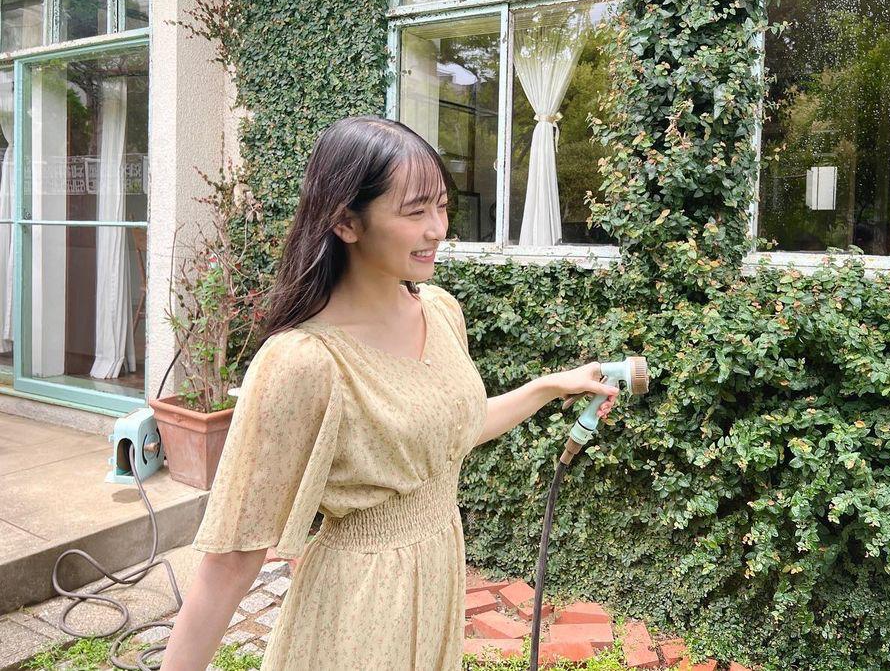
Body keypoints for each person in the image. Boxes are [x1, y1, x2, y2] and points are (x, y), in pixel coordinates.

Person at [160, 116, 620, 670]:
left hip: (437, 579)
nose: (438, 229)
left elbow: (449, 430)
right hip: (359, 607)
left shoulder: (441, 312)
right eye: (414, 211)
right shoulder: (304, 362)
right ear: (346, 222)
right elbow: (233, 558)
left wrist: (549, 387)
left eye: (442, 207)